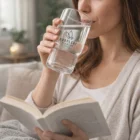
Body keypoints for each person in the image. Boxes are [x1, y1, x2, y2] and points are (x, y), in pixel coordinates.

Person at [25, 0, 140, 139]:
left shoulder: (135, 76)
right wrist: (50, 70)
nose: (83, 7)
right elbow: (28, 129)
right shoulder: (73, 61)